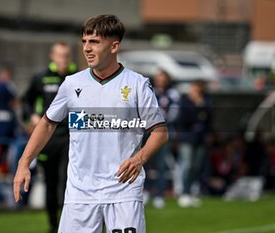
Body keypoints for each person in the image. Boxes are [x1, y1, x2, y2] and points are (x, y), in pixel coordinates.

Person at [13, 14, 168, 233]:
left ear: (114, 46)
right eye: (84, 41)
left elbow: (160, 132)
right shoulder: (72, 83)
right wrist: (23, 163)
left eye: (94, 42)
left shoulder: (137, 85)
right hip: (80, 193)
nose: (86, 48)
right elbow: (47, 124)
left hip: (123, 191)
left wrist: (139, 159)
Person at [21, 42, 77, 232]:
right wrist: (32, 117)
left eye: (66, 55)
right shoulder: (41, 78)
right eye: (60, 55)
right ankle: (53, 225)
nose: (63, 60)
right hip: (49, 137)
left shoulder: (78, 76)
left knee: (67, 179)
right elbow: (25, 101)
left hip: (70, 136)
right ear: (52, 56)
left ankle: (69, 224)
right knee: (50, 182)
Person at [143, 70, 180, 209]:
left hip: (162, 130)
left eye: (163, 78)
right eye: (158, 78)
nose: (160, 80)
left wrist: (161, 122)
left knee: (161, 164)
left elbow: (174, 112)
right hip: (147, 130)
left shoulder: (172, 94)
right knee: (144, 162)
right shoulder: (149, 90)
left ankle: (159, 194)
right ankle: (145, 191)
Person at [176, 80, 211, 208]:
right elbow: (182, 120)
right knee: (187, 165)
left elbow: (208, 118)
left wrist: (201, 105)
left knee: (197, 167)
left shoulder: (205, 100)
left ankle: (191, 192)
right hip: (187, 138)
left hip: (200, 139)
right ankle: (184, 193)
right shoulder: (185, 100)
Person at [0, 67, 18, 174]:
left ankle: (1, 167)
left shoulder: (0, 87)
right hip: (6, 121)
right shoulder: (6, 87)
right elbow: (13, 100)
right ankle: (2, 168)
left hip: (4, 120)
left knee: (2, 146)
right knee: (4, 146)